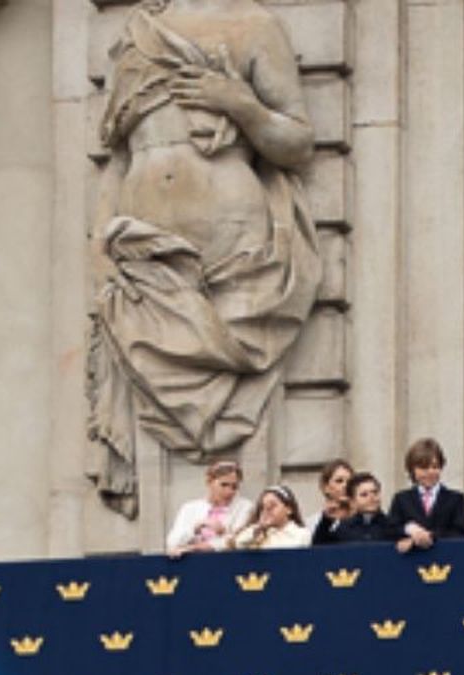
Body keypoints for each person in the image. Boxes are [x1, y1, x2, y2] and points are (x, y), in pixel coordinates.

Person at [87, 0, 322, 518]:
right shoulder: (138, 31)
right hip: (142, 259)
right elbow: (114, 159)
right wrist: (100, 247)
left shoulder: (254, 25)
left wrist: (242, 106)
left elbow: (299, 142)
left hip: (234, 254)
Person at [386, 437, 464, 549]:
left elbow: (459, 533)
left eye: (435, 467)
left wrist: (429, 536)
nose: (430, 472)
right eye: (424, 468)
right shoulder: (401, 499)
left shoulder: (456, 499)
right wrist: (409, 530)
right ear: (412, 469)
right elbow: (391, 530)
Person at [165, 460, 253, 556]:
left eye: (234, 487)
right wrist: (195, 529)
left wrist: (193, 548)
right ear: (209, 482)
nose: (229, 491)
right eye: (224, 485)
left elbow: (238, 541)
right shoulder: (189, 508)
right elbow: (172, 543)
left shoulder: (245, 507)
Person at [229, 485, 309, 549]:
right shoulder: (257, 531)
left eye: (272, 505)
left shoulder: (301, 533)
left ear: (289, 509)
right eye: (263, 507)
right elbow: (237, 544)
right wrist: (258, 530)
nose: (267, 510)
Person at [330, 472, 399, 543]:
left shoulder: (392, 525)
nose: (371, 497)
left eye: (375, 492)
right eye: (364, 494)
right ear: (352, 501)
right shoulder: (343, 528)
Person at [308, 458, 353, 545]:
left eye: (350, 481)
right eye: (339, 481)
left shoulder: (363, 518)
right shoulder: (313, 522)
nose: (345, 485)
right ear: (326, 487)